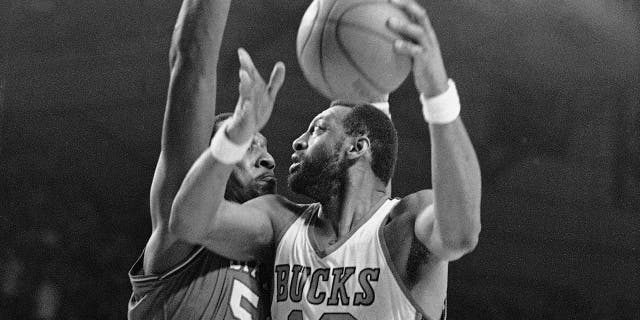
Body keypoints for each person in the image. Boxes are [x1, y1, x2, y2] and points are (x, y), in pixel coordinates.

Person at [170, 0, 481, 319]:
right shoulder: (280, 223)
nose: (297, 141)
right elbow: (188, 223)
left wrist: (437, 93)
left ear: (357, 147)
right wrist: (235, 135)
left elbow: (462, 235)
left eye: (317, 129)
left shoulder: (402, 226)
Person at [127, 0, 285, 318]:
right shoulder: (179, 237)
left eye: (264, 147)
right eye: (251, 145)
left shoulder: (279, 253)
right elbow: (193, 62)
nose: (269, 158)